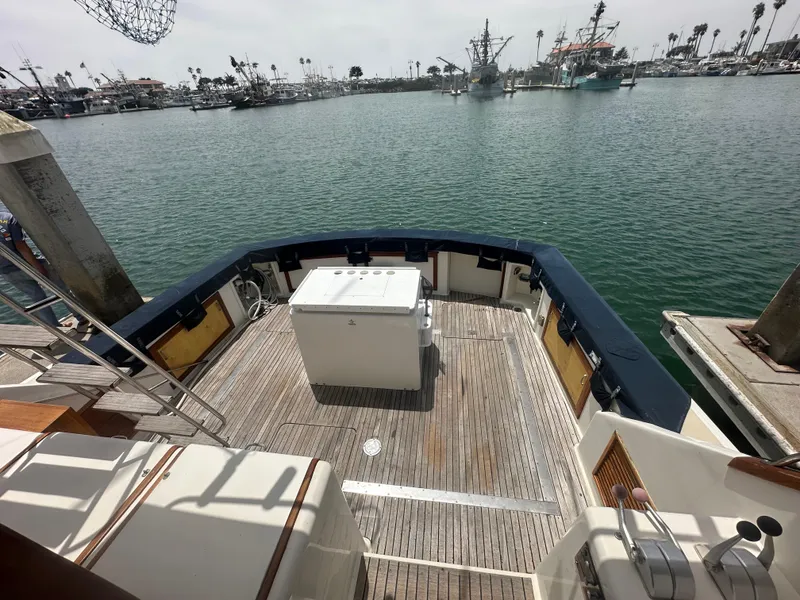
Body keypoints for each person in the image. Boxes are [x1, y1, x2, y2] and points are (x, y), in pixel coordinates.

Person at [0, 211, 89, 330]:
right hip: (28, 264)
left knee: (38, 299)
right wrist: (39, 268)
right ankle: (81, 317)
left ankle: (55, 329)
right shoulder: (8, 218)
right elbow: (21, 246)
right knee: (60, 289)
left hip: (8, 272)